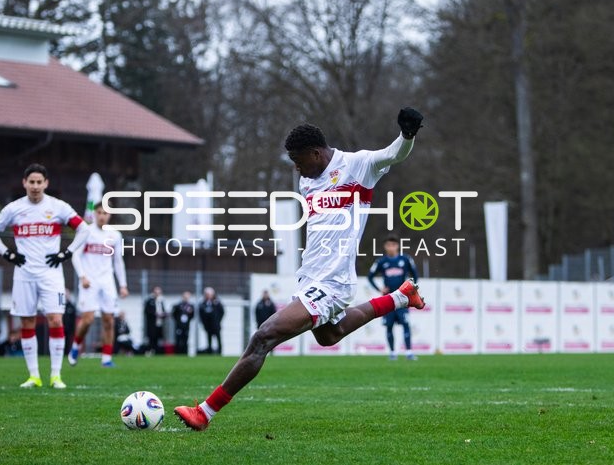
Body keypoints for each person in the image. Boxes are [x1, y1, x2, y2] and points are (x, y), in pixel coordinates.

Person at [174, 107, 427, 430]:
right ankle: (400, 297)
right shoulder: (308, 182)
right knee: (329, 335)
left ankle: (205, 412)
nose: (296, 168)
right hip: (311, 277)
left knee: (264, 336)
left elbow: (393, 154)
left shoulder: (357, 166)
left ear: (316, 153)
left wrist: (407, 135)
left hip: (333, 281)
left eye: (298, 160)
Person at [0, 163, 89, 388]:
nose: (34, 186)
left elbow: (83, 228)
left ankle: (56, 375)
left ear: (46, 183)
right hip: (24, 273)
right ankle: (33, 376)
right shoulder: (14, 208)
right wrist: (8, 254)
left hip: (51, 273)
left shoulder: (58, 207)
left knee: (55, 319)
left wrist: (66, 253)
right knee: (27, 321)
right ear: (24, 183)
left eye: (39, 182)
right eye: (31, 182)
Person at [68, 202, 128, 367]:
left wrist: (122, 284)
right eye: (99, 212)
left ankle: (106, 358)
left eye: (105, 213)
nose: (102, 216)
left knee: (109, 320)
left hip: (107, 282)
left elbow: (118, 261)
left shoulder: (115, 235)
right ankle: (75, 346)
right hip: (89, 282)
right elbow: (75, 255)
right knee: (87, 320)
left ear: (109, 215)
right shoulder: (86, 232)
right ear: (94, 214)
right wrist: (82, 276)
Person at [368, 234, 420, 360]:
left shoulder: (406, 259)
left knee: (405, 324)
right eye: (388, 245)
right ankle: (392, 352)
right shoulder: (381, 261)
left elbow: (415, 274)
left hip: (403, 299)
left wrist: (411, 288)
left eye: (393, 245)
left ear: (397, 246)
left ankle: (408, 352)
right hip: (388, 299)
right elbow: (370, 276)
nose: (391, 247)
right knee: (389, 325)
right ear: (385, 247)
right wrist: (379, 289)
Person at [199, 287, 224, 354]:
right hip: (208, 325)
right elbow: (201, 314)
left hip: (216, 325)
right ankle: (209, 352)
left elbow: (222, 312)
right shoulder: (203, 304)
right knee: (209, 339)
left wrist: (218, 320)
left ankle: (219, 352)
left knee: (218, 339)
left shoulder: (217, 303)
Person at [143, 286, 166, 355]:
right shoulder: (149, 301)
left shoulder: (161, 301)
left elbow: (163, 310)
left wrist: (163, 315)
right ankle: (150, 351)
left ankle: (157, 352)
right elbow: (146, 312)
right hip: (152, 323)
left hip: (159, 323)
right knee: (151, 338)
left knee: (158, 338)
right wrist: (155, 314)